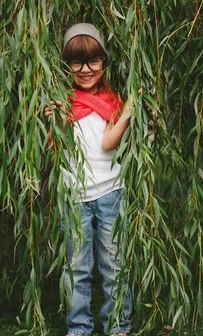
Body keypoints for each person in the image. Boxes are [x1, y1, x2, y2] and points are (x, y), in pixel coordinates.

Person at [44, 23, 133, 336]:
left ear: (104, 62)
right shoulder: (61, 103)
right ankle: (79, 327)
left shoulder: (113, 103)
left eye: (93, 61)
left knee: (114, 264)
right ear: (66, 65)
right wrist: (51, 114)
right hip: (74, 195)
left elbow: (109, 144)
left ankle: (118, 325)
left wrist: (129, 110)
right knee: (77, 266)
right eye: (76, 62)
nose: (85, 69)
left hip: (111, 193)